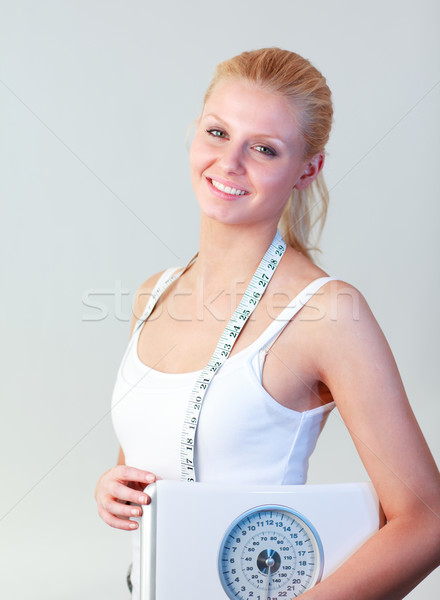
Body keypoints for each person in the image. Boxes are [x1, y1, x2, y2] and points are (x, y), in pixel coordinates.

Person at [95, 47, 440, 599]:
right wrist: (117, 488)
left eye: (264, 148)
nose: (229, 163)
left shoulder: (326, 312)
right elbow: (160, 458)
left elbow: (428, 520)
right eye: (216, 132)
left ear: (308, 168)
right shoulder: (152, 294)